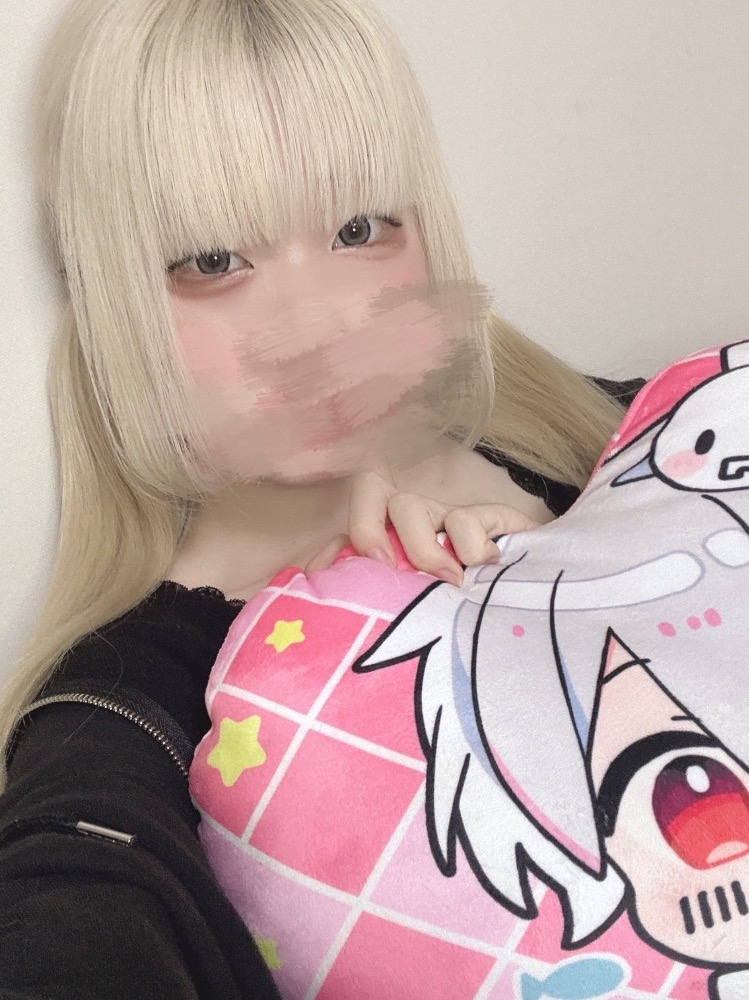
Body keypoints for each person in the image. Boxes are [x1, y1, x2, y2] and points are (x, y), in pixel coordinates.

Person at [0, 0, 642, 996]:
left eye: (357, 228)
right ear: (108, 291)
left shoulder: (646, 440)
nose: (317, 329)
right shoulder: (126, 708)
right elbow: (75, 908)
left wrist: (598, 567)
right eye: (213, 261)